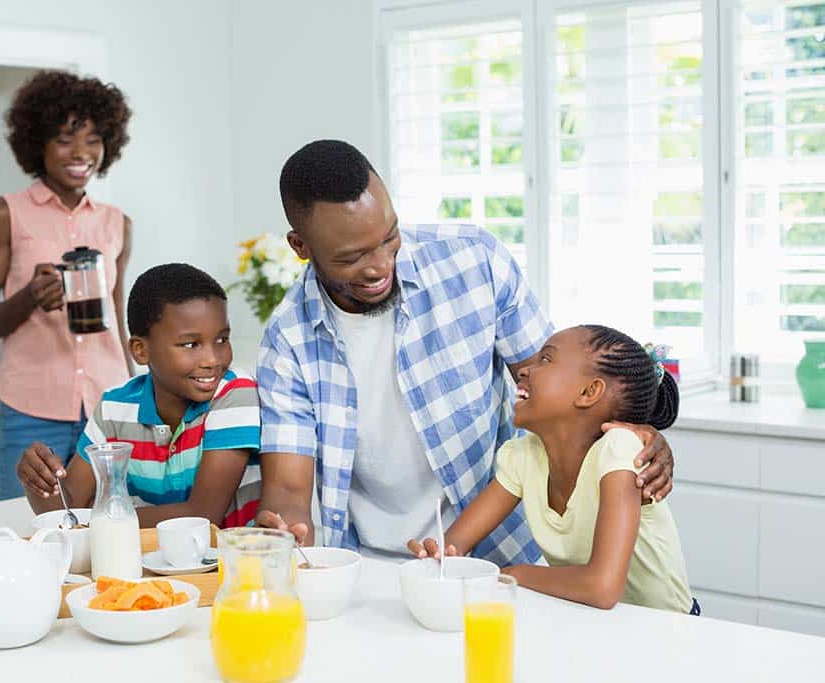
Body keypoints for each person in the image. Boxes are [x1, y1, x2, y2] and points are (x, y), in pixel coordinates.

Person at [255, 140, 676, 565]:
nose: (381, 265)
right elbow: (288, 490)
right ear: (300, 246)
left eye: (389, 237)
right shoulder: (288, 340)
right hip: (371, 567)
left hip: (505, 552)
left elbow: (564, 395)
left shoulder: (474, 262)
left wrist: (632, 434)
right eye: (353, 256)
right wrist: (285, 529)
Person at [409, 325, 696, 613]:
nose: (524, 370)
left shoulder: (619, 449)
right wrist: (439, 556)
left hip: (668, 633)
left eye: (545, 359)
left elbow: (602, 587)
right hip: (599, 628)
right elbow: (455, 544)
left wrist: (514, 574)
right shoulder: (523, 454)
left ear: (588, 391)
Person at [0, 70, 135, 500]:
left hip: (108, 406)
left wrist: (142, 395)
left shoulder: (116, 223)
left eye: (93, 139)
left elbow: (118, 319)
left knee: (107, 523)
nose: (81, 153)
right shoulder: (5, 215)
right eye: (64, 139)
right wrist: (29, 298)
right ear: (37, 143)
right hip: (31, 411)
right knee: (27, 529)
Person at [16, 264, 261, 528]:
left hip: (233, 565)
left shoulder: (235, 394)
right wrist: (39, 482)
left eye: (222, 339)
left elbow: (202, 515)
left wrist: (98, 519)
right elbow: (70, 512)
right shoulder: (114, 409)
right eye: (190, 344)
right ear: (141, 350)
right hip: (148, 564)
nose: (213, 359)